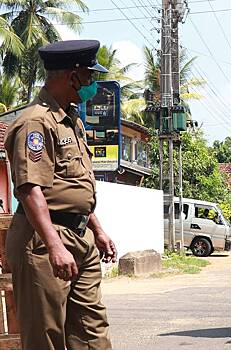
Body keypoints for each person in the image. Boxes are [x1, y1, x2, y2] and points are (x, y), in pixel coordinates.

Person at [4, 40, 117, 350]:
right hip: (44, 239)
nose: (92, 84)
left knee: (92, 334)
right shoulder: (36, 123)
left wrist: (97, 229)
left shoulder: (72, 120)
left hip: (80, 238)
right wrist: (54, 245)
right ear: (72, 76)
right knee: (45, 337)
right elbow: (30, 189)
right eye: (90, 77)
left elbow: (73, 185)